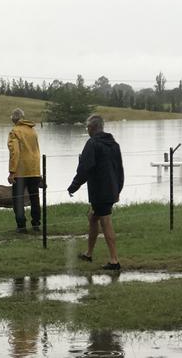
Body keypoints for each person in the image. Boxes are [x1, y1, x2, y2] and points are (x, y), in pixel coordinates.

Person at [67, 114, 124, 270]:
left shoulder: (92, 144)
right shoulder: (114, 144)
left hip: (100, 190)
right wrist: (118, 188)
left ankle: (114, 260)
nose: (87, 130)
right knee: (93, 218)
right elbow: (120, 169)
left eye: (88, 127)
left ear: (92, 128)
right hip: (111, 189)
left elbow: (85, 168)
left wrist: (74, 186)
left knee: (105, 222)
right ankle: (89, 254)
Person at [7, 108, 42, 233]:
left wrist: (12, 171)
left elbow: (15, 152)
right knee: (34, 197)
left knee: (18, 199)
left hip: (21, 170)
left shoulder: (14, 131)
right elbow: (36, 149)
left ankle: (21, 226)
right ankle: (36, 224)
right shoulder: (32, 130)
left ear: (13, 119)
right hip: (34, 168)